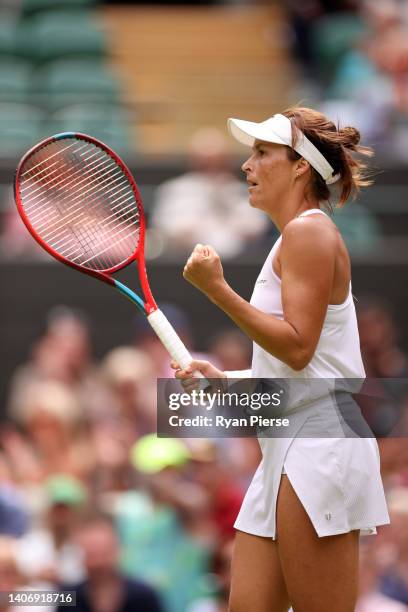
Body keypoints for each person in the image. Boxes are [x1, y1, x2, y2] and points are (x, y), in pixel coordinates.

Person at [173, 107, 390, 612]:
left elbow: (297, 346)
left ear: (299, 166)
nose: (248, 165)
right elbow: (299, 369)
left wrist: (217, 290)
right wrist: (225, 381)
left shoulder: (308, 233)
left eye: (262, 153)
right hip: (286, 448)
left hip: (320, 446)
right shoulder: (293, 238)